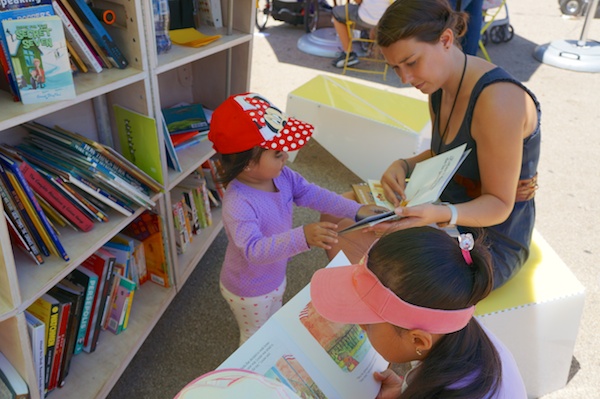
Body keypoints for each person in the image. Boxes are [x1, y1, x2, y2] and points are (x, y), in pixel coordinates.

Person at [326, 0, 541, 289]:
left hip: (490, 241)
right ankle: (365, 311)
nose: (406, 78)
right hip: (443, 206)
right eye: (396, 68)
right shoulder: (440, 83)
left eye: (412, 62)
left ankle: (370, 319)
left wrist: (440, 214)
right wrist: (403, 164)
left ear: (446, 40)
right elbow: (450, 154)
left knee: (352, 240)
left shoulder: (498, 101)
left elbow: (500, 204)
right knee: (333, 213)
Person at [207, 92, 387, 345]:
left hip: (275, 274)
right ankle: (252, 374)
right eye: (278, 153)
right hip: (247, 290)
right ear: (248, 163)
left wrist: (356, 210)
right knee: (254, 338)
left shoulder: (282, 176)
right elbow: (254, 250)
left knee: (275, 319)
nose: (286, 158)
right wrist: (302, 236)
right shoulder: (238, 203)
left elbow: (312, 193)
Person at [311, 226, 527, 398]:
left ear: (419, 341)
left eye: (368, 322)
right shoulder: (462, 333)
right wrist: (407, 389)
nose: (359, 325)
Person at [330, 0, 390, 68]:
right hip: (388, 21)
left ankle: (348, 53)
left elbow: (358, 1)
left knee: (336, 12)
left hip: (365, 18)